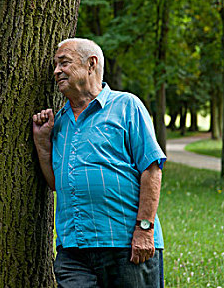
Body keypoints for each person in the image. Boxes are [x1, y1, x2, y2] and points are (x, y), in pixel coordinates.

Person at [32, 38, 166, 288]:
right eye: (55, 65)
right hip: (73, 250)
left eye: (64, 63)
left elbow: (151, 168)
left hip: (126, 245)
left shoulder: (126, 105)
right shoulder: (59, 121)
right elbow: (55, 184)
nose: (56, 71)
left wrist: (144, 228)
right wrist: (42, 143)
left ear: (91, 64)